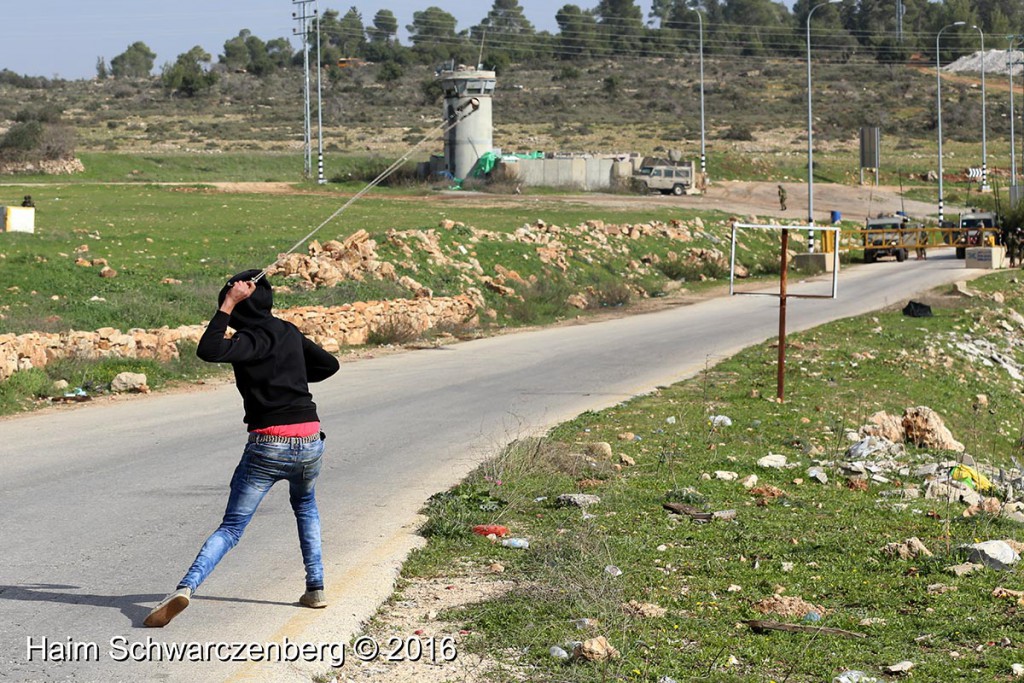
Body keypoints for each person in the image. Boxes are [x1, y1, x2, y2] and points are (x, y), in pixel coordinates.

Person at [144, 269, 340, 628]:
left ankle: (186, 587)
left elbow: (209, 348)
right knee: (306, 507)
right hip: (310, 440)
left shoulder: (247, 341)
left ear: (239, 309)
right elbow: (329, 364)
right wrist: (289, 373)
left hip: (270, 444)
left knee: (233, 527)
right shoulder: (288, 332)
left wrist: (228, 303)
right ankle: (316, 588)